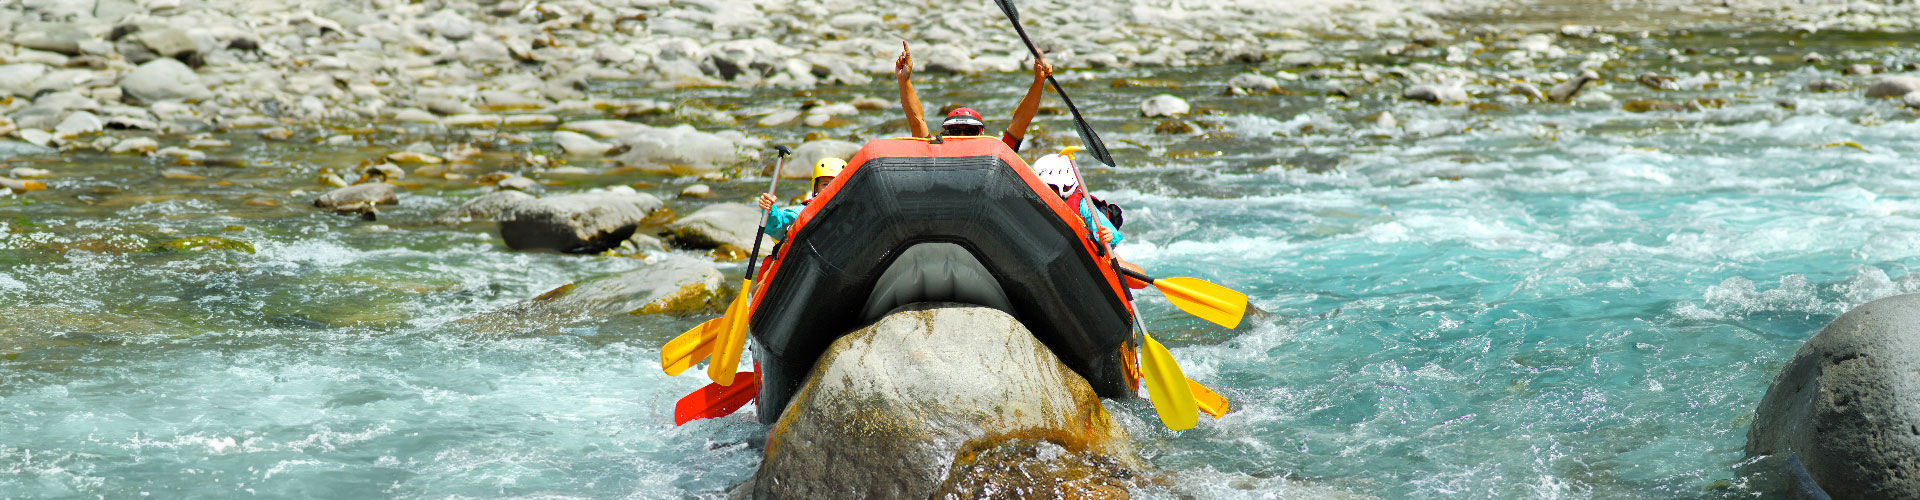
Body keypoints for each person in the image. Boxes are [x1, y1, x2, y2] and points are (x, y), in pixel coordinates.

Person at [895, 41, 1051, 150]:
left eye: (969, 131)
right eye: (956, 131)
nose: (962, 136)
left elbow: (1020, 121)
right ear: (946, 133)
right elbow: (917, 121)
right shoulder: (934, 151)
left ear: (980, 133)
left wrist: (1039, 82)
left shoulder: (995, 155)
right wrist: (904, 80)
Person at [1031, 147, 1121, 249]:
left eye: (1050, 187)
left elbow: (1112, 237)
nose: (1042, 191)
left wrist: (1108, 237)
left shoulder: (1083, 205)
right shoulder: (1039, 199)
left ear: (1065, 187)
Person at [757, 157, 844, 240]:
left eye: (835, 183)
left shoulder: (851, 208)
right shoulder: (806, 211)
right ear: (816, 187)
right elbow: (779, 223)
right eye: (825, 184)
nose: (830, 188)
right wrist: (770, 209)